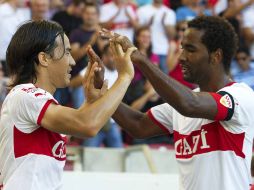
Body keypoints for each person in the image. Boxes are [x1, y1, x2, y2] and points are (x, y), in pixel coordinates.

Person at [100, 16, 254, 190]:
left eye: (190, 50)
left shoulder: (241, 96)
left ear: (216, 56)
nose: (181, 57)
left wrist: (141, 60)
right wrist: (102, 94)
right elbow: (138, 125)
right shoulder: (184, 102)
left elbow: (189, 105)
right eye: (182, 49)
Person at [0, 20, 136, 189]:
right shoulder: (25, 94)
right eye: (66, 53)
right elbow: (87, 125)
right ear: (44, 58)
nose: (72, 61)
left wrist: (90, 102)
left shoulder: (32, 100)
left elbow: (81, 124)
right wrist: (124, 77)